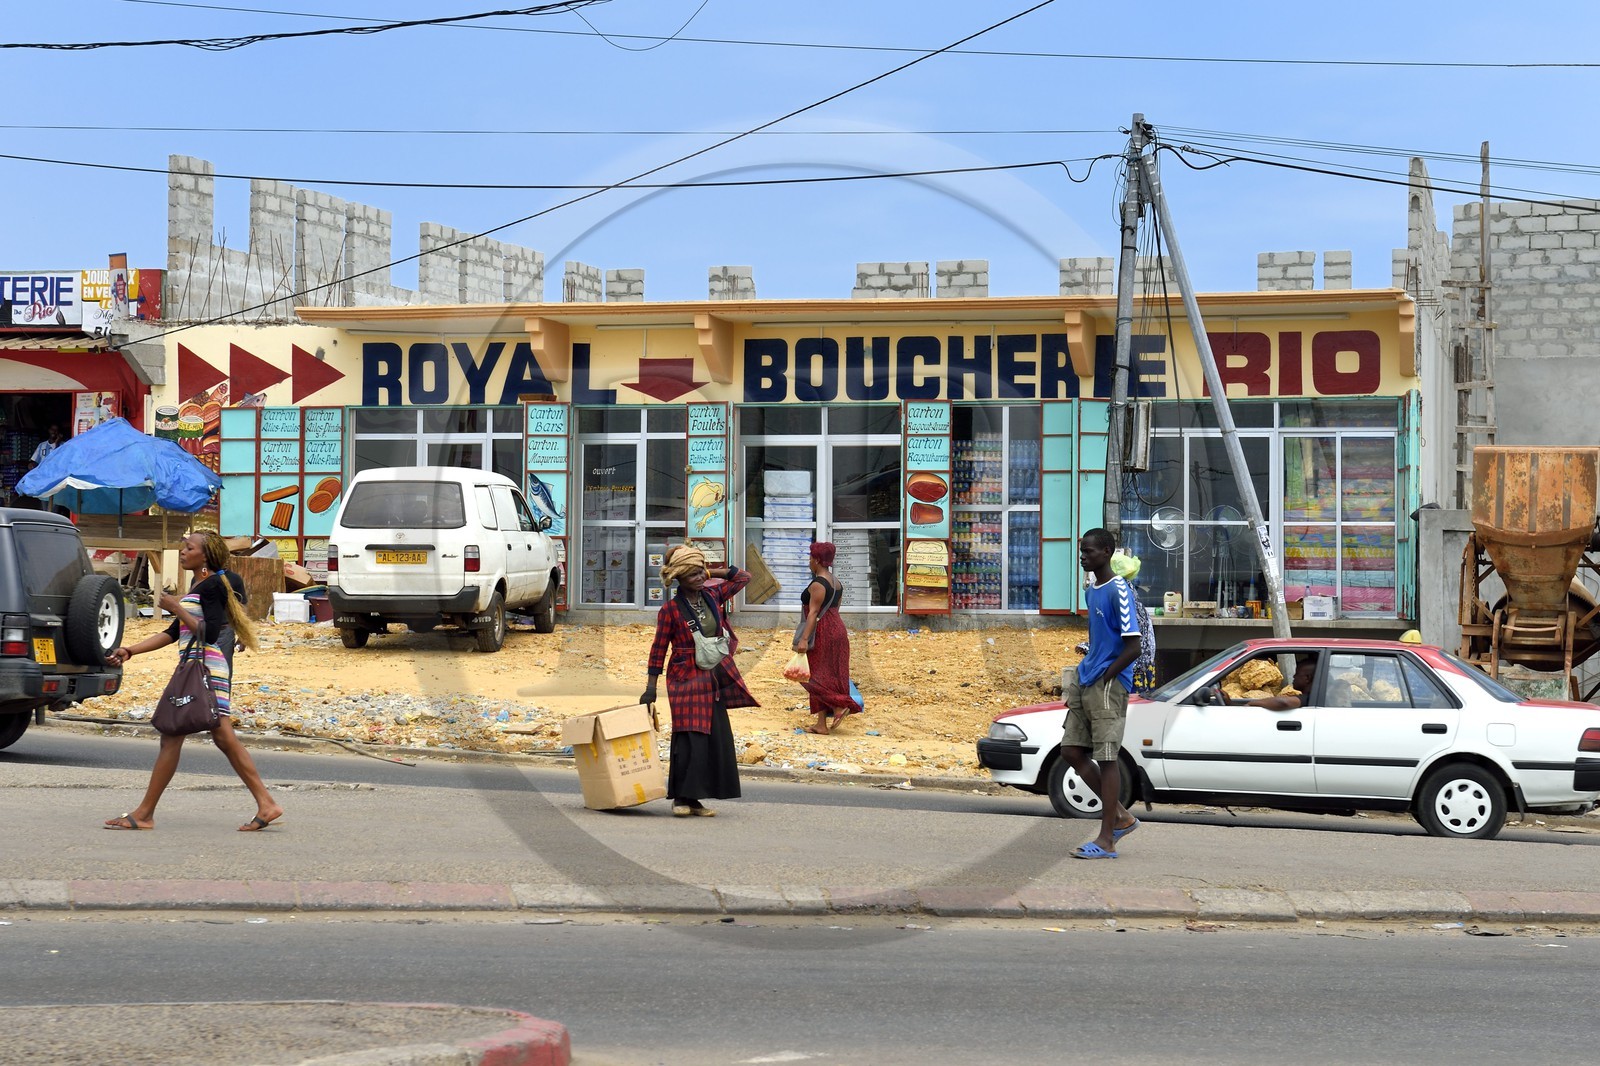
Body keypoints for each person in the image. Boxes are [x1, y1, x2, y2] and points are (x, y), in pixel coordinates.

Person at [103, 531, 284, 832]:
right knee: (212, 736)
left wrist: (176, 606)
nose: (183, 552)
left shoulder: (212, 585)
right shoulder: (199, 585)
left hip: (207, 668)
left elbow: (209, 632)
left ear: (205, 557)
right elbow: (173, 633)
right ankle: (266, 803)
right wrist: (129, 650)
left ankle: (145, 814)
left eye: (189, 548)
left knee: (176, 734)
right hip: (199, 666)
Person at [639, 545, 758, 818]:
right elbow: (658, 649)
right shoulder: (669, 610)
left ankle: (697, 800)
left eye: (700, 572)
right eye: (691, 574)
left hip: (712, 675)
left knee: (712, 736)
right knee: (689, 736)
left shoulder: (713, 595)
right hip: (683, 677)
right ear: (678, 577)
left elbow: (743, 577)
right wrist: (650, 688)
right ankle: (680, 798)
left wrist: (707, 568)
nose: (699, 577)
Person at [1061, 527, 1142, 860]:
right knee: (1071, 752)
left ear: (1107, 552)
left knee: (1108, 758)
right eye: (1082, 551)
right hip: (1087, 678)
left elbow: (1133, 645)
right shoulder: (1090, 589)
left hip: (1108, 683)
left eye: (1090, 551)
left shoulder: (1119, 590)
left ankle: (1107, 839)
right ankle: (1122, 816)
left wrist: (1107, 676)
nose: (1083, 556)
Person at [792, 541, 861, 735]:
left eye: (810, 557)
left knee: (808, 675)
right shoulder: (837, 583)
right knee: (829, 674)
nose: (809, 561)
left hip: (822, 632)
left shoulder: (818, 584)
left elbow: (813, 613)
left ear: (816, 560)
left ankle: (840, 706)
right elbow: (835, 609)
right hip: (837, 629)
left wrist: (804, 639)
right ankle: (821, 724)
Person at [1220, 656, 1316, 711]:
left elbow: (1283, 702)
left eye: (1297, 674)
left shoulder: (1307, 699)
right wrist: (1232, 704)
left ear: (1307, 678)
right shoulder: (1312, 698)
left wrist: (1251, 704)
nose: (1294, 677)